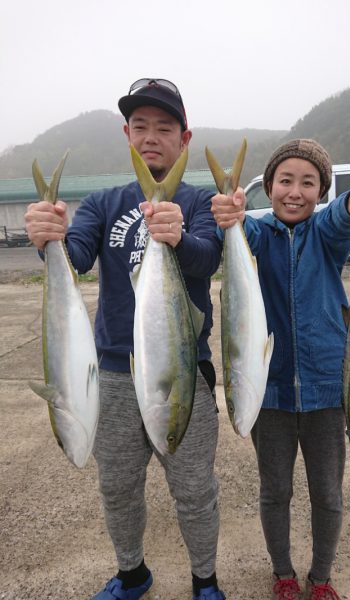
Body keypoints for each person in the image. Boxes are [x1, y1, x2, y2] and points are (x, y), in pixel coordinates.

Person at [25, 78, 225, 600]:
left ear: (185, 138)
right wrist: (48, 236)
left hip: (183, 368)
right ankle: (132, 572)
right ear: (126, 133)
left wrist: (179, 235)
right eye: (140, 127)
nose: (150, 136)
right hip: (112, 371)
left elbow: (208, 257)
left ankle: (205, 579)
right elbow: (78, 256)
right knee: (117, 487)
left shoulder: (200, 201)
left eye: (163, 127)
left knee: (195, 488)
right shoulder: (102, 202)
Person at [210, 139, 350, 600]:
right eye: (285, 181)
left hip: (327, 395)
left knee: (327, 494)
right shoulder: (258, 235)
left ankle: (320, 578)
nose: (294, 191)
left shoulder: (326, 234)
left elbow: (346, 216)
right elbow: (241, 232)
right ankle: (282, 573)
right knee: (274, 491)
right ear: (269, 187)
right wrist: (231, 215)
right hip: (271, 395)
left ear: (321, 191)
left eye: (308, 182)